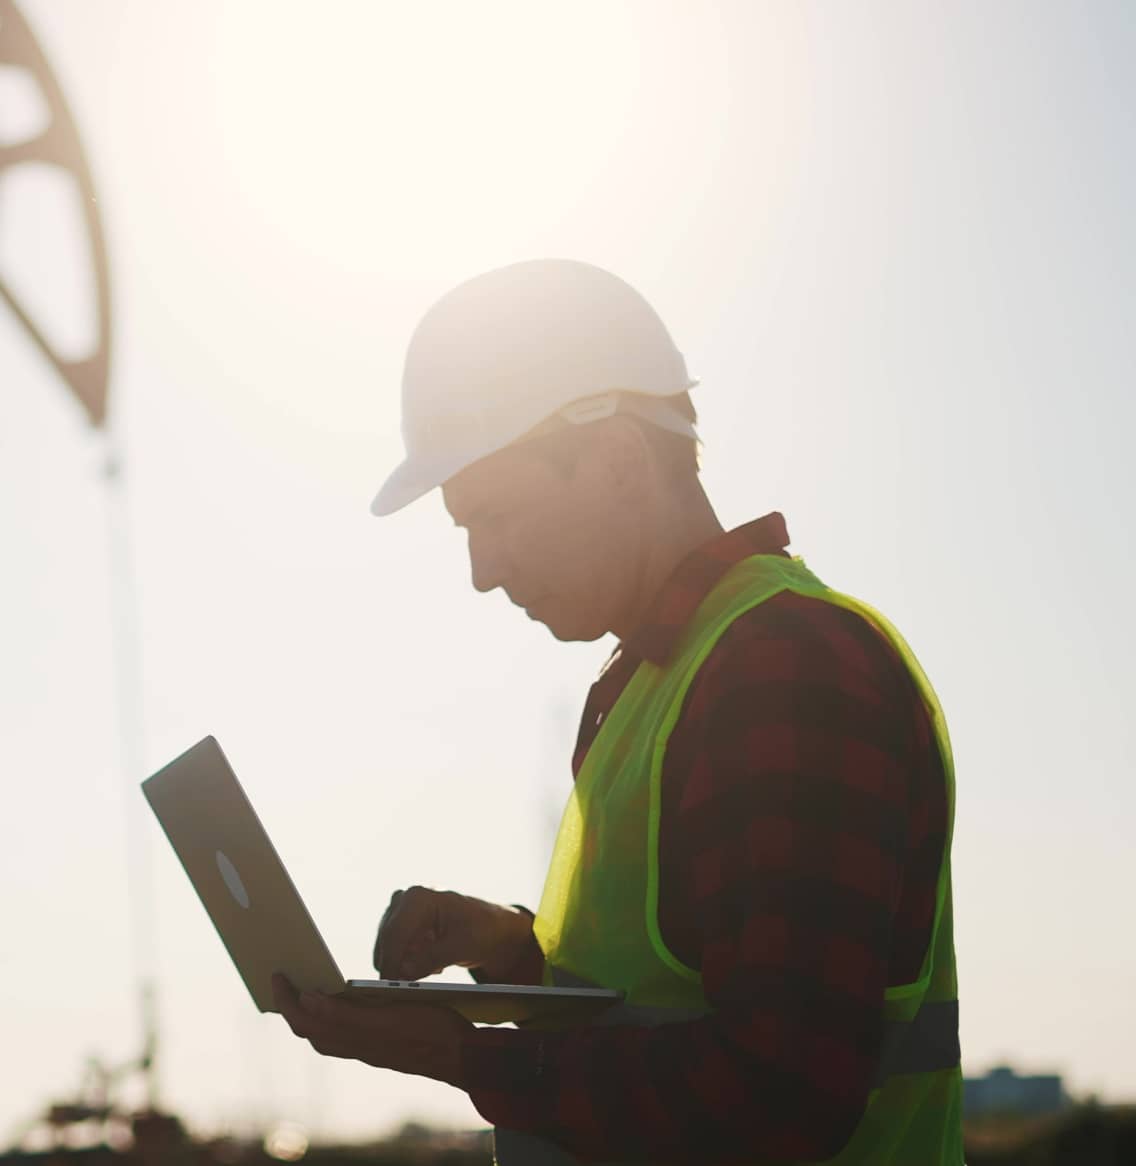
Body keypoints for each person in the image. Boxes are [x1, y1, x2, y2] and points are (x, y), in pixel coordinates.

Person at [272, 258, 963, 1164]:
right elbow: (675, 995)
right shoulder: (661, 680)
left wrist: (465, 1058)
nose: (482, 570)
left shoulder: (782, 668)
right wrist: (516, 953)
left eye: (499, 515)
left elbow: (781, 1096)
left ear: (619, 461)